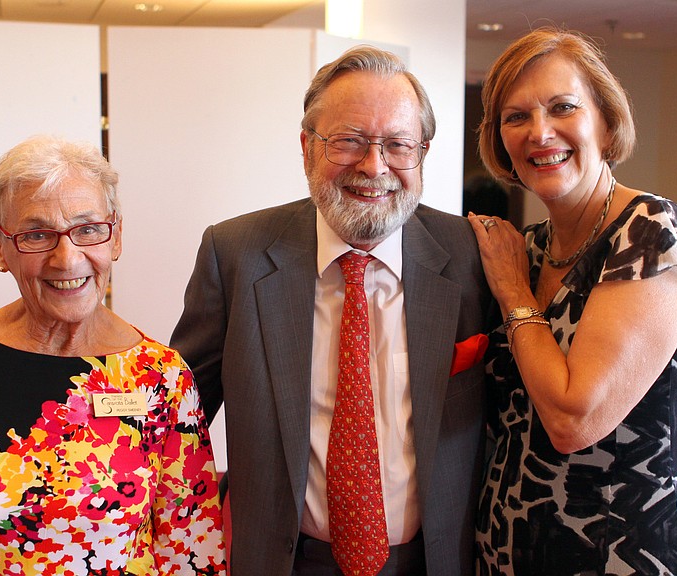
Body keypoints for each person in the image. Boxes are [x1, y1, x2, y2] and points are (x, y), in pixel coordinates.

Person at [170, 46, 491, 576]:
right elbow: (178, 420)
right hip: (285, 560)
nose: (374, 166)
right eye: (348, 141)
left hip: (435, 561)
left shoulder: (473, 257)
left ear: (422, 153)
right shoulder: (236, 256)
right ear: (306, 147)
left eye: (397, 145)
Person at [466, 27, 677, 575]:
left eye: (562, 107)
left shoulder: (652, 232)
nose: (539, 133)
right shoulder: (532, 249)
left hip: (620, 556)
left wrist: (515, 295)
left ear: (607, 122)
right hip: (509, 553)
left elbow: (573, 418)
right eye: (515, 117)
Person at [0, 135, 225, 575]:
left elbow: (191, 549)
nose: (67, 259)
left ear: (116, 236)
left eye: (88, 229)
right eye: (37, 235)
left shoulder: (162, 377)